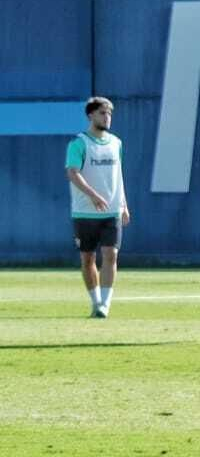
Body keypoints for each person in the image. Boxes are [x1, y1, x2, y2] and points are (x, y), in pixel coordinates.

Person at [65, 97, 129, 319]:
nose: (107, 117)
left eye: (109, 113)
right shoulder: (79, 143)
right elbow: (73, 172)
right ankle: (95, 302)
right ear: (91, 115)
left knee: (111, 255)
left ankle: (105, 305)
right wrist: (92, 195)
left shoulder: (116, 143)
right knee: (88, 259)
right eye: (103, 113)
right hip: (85, 212)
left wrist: (124, 204)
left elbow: (118, 175)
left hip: (111, 211)